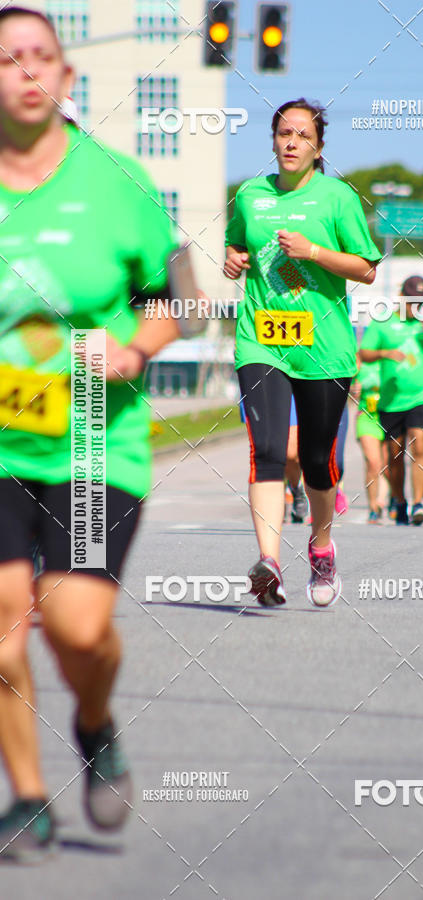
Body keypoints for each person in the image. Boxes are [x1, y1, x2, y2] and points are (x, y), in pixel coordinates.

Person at [0, 6, 180, 860]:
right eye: (8, 59)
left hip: (95, 445)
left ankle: (96, 723)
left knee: (74, 629)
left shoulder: (119, 183)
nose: (26, 71)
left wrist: (139, 344)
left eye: (42, 57)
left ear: (67, 78)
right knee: (1, 625)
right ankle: (29, 800)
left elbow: (178, 294)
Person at [224, 98, 380, 607]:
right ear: (271, 140)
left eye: (302, 136)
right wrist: (233, 259)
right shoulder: (249, 194)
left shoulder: (337, 198)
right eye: (283, 133)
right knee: (268, 449)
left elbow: (366, 268)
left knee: (316, 460)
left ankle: (320, 545)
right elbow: (236, 245)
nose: (291, 143)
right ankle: (268, 562)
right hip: (262, 339)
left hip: (324, 347)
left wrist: (313, 252)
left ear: (318, 148)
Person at [359, 276, 423, 525]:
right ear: (401, 296)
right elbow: (365, 354)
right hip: (391, 401)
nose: (415, 306)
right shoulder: (382, 323)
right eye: (411, 300)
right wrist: (384, 353)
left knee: (420, 441)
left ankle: (419, 502)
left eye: (419, 301)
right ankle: (399, 501)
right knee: (394, 455)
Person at [352, 359, 387, 522]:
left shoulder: (393, 359)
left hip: (389, 416)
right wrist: (353, 389)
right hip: (367, 418)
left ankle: (390, 499)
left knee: (387, 466)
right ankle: (373, 507)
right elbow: (348, 387)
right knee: (373, 463)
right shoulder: (361, 362)